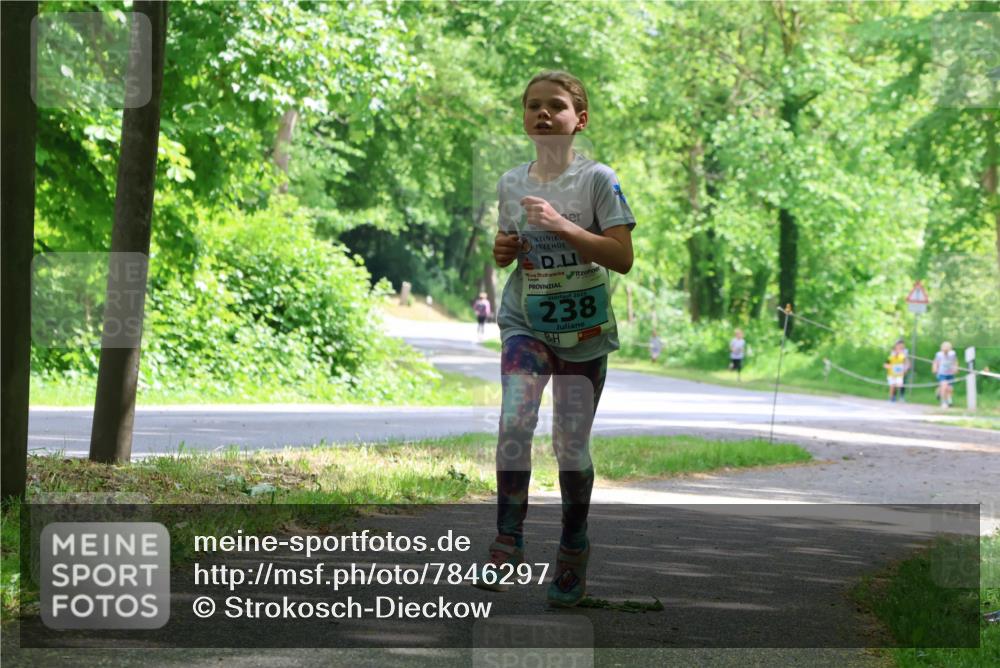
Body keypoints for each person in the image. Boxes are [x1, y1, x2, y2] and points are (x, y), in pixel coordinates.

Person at [480, 70, 635, 608]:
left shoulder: (598, 181)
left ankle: (572, 549)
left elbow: (622, 257)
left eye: (556, 106)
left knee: (570, 448)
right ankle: (508, 539)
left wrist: (563, 226)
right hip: (526, 321)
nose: (543, 114)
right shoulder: (510, 182)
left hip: (584, 334)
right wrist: (504, 251)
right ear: (524, 118)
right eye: (532, 106)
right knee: (514, 418)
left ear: (579, 119)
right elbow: (511, 247)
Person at [932, 341, 959, 408]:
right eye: (944, 349)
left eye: (947, 349)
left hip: (950, 373)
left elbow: (955, 361)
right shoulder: (939, 354)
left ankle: (942, 394)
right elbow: (935, 362)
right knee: (944, 386)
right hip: (942, 373)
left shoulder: (953, 354)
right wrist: (935, 368)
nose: (946, 351)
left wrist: (956, 368)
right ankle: (944, 402)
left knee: (950, 388)